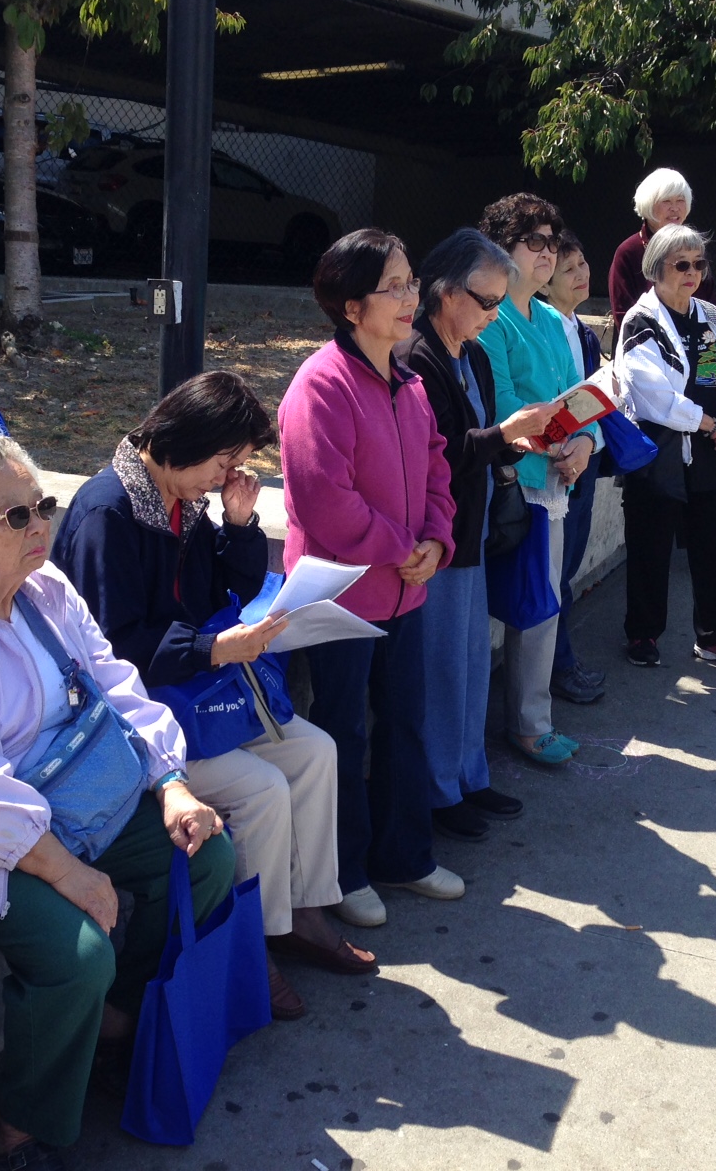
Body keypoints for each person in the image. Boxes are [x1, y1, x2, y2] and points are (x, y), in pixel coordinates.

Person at [0, 433, 237, 1171]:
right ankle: (19, 1127)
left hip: (78, 796)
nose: (39, 528)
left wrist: (173, 783)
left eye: (42, 507)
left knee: (207, 855)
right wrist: (67, 872)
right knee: (76, 955)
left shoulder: (44, 589)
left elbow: (118, 685)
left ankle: (115, 1027)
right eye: (16, 516)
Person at [51, 371, 373, 1022]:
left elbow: (213, 599)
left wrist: (239, 523)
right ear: (185, 439)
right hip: (132, 722)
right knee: (260, 787)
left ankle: (298, 915)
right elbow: (111, 650)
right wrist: (214, 650)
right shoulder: (107, 511)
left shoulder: (182, 501)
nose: (226, 475)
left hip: (193, 697)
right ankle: (251, 945)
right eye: (224, 462)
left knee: (315, 750)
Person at [279, 228, 459, 929]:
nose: (411, 297)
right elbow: (326, 500)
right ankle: (343, 872)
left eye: (412, 282)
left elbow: (438, 464)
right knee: (342, 734)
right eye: (395, 286)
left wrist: (436, 539)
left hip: (405, 588)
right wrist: (399, 546)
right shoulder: (319, 385)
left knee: (405, 724)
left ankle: (405, 856)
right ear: (351, 306)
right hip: (340, 599)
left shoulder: (407, 382)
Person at [396, 230, 556, 843]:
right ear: (444, 292)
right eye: (485, 302)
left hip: (473, 531)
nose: (493, 315)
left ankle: (468, 774)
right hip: (438, 539)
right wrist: (504, 436)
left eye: (497, 303)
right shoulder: (418, 356)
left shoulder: (476, 355)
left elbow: (482, 442)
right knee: (441, 669)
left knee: (468, 665)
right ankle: (441, 790)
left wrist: (520, 438)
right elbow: (438, 453)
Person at [476, 194, 602, 768]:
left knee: (541, 608)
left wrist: (582, 444)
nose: (549, 253)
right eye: (535, 242)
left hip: (555, 481)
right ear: (501, 249)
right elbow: (499, 405)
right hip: (510, 484)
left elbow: (583, 400)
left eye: (554, 241)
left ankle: (531, 723)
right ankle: (484, 730)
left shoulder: (553, 319)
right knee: (505, 612)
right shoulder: (489, 317)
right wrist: (559, 447)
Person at [615, 223, 716, 672]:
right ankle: (643, 634)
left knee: (713, 548)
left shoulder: (712, 317)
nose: (692, 272)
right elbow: (652, 396)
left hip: (714, 453)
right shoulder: (641, 322)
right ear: (656, 270)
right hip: (660, 455)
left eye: (699, 263)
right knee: (650, 549)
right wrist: (708, 421)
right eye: (681, 264)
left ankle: (715, 638)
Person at [538, 230, 610, 707]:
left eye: (583, 263)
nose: (582, 273)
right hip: (554, 469)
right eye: (569, 268)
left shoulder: (580, 329)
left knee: (566, 570)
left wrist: (587, 444)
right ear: (544, 282)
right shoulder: (544, 326)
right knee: (553, 577)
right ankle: (558, 667)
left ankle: (560, 664)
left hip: (581, 463)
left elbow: (591, 406)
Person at [608, 168, 716, 320]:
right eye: (666, 201)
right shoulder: (629, 251)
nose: (675, 208)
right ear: (648, 204)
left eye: (680, 200)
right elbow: (623, 312)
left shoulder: (695, 248)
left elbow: (709, 306)